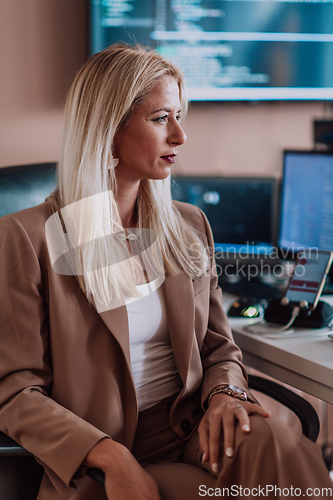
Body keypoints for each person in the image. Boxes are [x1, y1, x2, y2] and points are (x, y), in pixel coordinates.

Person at [0, 44, 331, 500]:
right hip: (102, 455)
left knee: (277, 442)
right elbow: (15, 391)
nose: (180, 136)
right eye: (161, 119)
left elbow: (219, 348)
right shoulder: (26, 237)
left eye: (179, 116)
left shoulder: (189, 225)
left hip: (194, 429)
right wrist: (109, 455)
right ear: (108, 129)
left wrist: (226, 395)